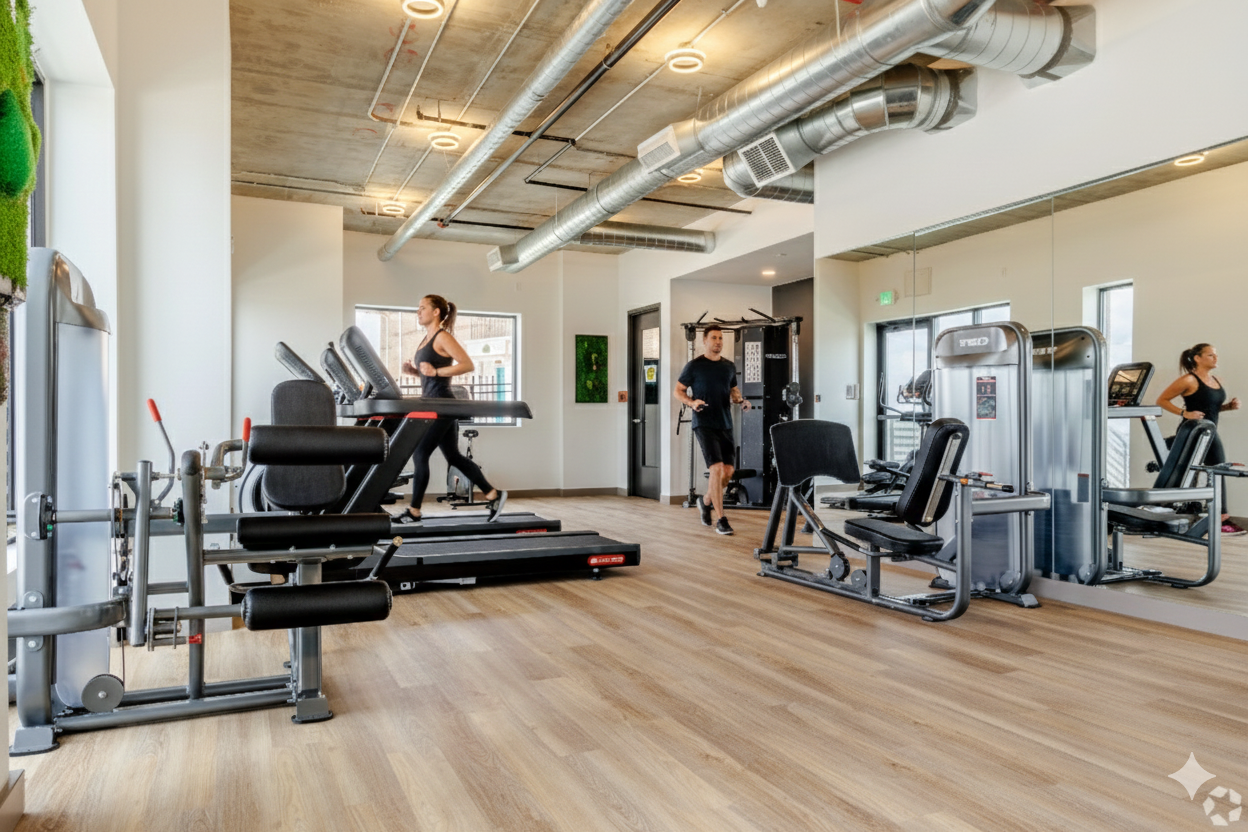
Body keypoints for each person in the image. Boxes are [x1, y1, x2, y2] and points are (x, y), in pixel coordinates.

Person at [398, 294, 506, 523]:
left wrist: (436, 372)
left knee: (420, 453)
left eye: (422, 307)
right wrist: (415, 372)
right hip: (432, 403)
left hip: (442, 404)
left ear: (436, 311)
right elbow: (430, 373)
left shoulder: (442, 336)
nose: (418, 312)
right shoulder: (426, 339)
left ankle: (414, 511)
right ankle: (493, 494)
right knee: (453, 456)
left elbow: (467, 364)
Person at [1155, 342, 1244, 536]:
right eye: (1211, 355)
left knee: (1217, 470)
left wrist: (1228, 406)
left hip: (1209, 430)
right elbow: (1161, 400)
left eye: (1216, 355)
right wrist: (1184, 413)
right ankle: (1220, 517)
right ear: (1198, 358)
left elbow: (1210, 408)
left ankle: (1218, 517)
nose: (1216, 358)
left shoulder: (1215, 379)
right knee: (1211, 470)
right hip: (1193, 431)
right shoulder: (1188, 380)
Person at [675, 325, 752, 536]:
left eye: (720, 338)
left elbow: (733, 390)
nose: (718, 341)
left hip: (725, 423)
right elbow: (678, 390)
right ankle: (721, 519)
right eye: (714, 338)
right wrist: (691, 403)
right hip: (704, 422)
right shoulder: (694, 366)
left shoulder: (728, 366)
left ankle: (705, 500)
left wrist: (741, 401)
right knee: (716, 468)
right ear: (705, 341)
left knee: (728, 472)